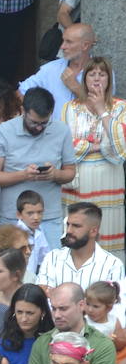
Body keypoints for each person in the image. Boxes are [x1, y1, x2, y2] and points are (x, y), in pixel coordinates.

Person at [0, 87, 77, 248]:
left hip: (49, 216)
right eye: (34, 122)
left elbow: (70, 172)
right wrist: (23, 175)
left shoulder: (61, 131)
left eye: (44, 123)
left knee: (51, 268)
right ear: (23, 110)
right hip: (13, 216)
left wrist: (55, 174)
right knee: (10, 265)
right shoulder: (3, 132)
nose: (39, 128)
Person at [60, 60, 126, 260]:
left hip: (109, 175)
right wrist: (94, 145)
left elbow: (119, 147)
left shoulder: (120, 107)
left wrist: (101, 110)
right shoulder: (70, 108)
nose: (97, 78)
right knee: (77, 224)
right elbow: (65, 144)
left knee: (106, 225)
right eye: (92, 74)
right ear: (84, 79)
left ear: (109, 79)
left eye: (102, 74)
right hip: (79, 177)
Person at [24, 283, 117, 364]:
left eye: (63, 309)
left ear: (81, 305)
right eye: (54, 309)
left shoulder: (102, 345)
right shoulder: (42, 342)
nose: (57, 315)